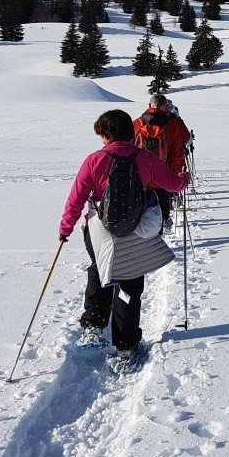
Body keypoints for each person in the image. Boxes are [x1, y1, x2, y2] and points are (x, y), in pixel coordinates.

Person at [59, 109, 189, 361]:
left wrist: (65, 230)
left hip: (99, 231)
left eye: (102, 135)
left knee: (99, 270)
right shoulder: (145, 158)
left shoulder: (94, 160)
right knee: (129, 282)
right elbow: (172, 184)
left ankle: (93, 327)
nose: (102, 140)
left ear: (107, 134)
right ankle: (126, 344)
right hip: (135, 231)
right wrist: (184, 179)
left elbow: (75, 201)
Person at [133, 94, 191, 229]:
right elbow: (177, 154)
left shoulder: (137, 123)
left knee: (140, 216)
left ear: (149, 106)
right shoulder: (172, 124)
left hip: (140, 179)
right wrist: (175, 177)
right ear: (166, 107)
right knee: (162, 213)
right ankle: (162, 227)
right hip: (163, 178)